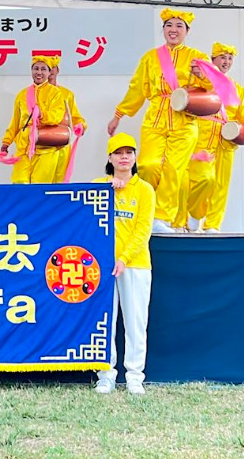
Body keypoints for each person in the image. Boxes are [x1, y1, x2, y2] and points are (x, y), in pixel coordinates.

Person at [107, 8, 210, 233]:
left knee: (174, 169)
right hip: (155, 118)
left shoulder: (197, 57)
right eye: (169, 25)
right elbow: (137, 89)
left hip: (185, 120)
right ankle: (147, 209)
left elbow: (213, 89)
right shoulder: (150, 57)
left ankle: (161, 218)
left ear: (187, 31)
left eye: (179, 26)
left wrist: (203, 76)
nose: (173, 30)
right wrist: (118, 115)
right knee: (148, 165)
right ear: (163, 29)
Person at [181, 43, 244, 233]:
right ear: (213, 60)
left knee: (221, 185)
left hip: (227, 140)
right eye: (222, 57)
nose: (226, 62)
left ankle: (213, 225)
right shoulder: (202, 84)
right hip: (203, 138)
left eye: (230, 58)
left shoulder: (236, 88)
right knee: (203, 179)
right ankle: (194, 214)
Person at [94, 132, 155, 395]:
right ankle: (105, 375)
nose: (124, 157)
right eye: (118, 153)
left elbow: (143, 230)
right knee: (104, 321)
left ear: (135, 157)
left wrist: (125, 258)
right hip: (103, 267)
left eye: (128, 152)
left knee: (135, 321)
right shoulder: (100, 186)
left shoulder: (144, 190)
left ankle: (134, 376)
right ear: (109, 157)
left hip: (135, 265)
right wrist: (106, 188)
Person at [0, 55, 66, 183]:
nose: (39, 72)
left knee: (40, 185)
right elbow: (15, 121)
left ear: (49, 72)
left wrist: (42, 114)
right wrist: (6, 141)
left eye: (43, 69)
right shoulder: (22, 94)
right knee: (19, 183)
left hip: (46, 146)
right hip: (24, 146)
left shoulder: (55, 93)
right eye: (36, 68)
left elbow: (57, 115)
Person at [48, 56, 87, 183]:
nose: (49, 71)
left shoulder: (67, 94)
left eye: (52, 67)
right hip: (42, 145)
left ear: (57, 70)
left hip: (62, 143)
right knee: (41, 183)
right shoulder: (32, 93)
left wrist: (81, 125)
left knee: (61, 183)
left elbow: (75, 117)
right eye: (46, 68)